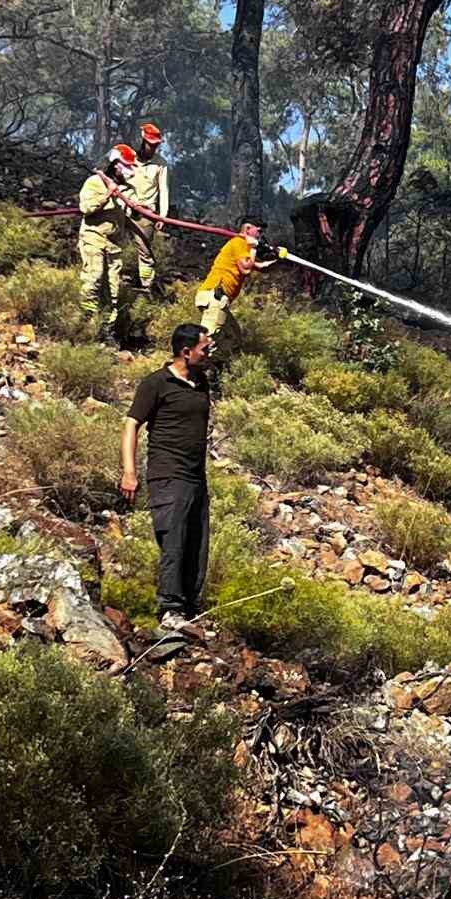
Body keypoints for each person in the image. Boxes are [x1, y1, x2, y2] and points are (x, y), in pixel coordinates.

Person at [122, 321, 213, 635]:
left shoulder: (201, 382)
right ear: (186, 352)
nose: (209, 353)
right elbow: (132, 425)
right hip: (167, 474)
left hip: (195, 476)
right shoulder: (156, 383)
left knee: (197, 543)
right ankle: (170, 609)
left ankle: (189, 608)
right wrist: (129, 472)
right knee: (173, 539)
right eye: (205, 348)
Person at [194, 220, 282, 344]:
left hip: (217, 300)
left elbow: (262, 267)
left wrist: (279, 258)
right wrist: (254, 248)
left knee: (233, 340)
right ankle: (186, 362)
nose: (260, 236)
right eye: (259, 231)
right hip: (215, 297)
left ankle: (216, 363)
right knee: (206, 342)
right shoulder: (239, 242)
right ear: (247, 229)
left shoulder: (243, 248)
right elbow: (246, 269)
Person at [78, 143, 136, 329]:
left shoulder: (127, 189)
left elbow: (129, 215)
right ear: (114, 164)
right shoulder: (95, 182)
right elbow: (86, 209)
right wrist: (107, 195)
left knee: (113, 288)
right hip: (93, 238)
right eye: (125, 166)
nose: (128, 171)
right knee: (94, 278)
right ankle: (85, 322)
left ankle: (105, 328)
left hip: (113, 244)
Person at [122, 122, 168, 292]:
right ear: (143, 141)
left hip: (146, 213)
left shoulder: (161, 164)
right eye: (150, 144)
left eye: (156, 145)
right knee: (113, 243)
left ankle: (147, 286)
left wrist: (162, 216)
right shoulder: (129, 157)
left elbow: (163, 190)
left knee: (144, 250)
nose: (153, 148)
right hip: (123, 209)